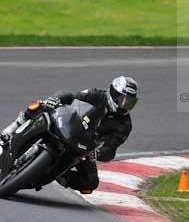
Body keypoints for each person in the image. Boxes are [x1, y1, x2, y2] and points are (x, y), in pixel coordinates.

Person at [0, 76, 139, 194]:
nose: (125, 105)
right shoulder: (97, 95)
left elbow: (111, 149)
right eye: (123, 100)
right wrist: (56, 99)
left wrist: (98, 153)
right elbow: (71, 96)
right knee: (40, 105)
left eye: (130, 102)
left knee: (90, 183)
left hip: (86, 149)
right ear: (113, 94)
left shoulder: (125, 125)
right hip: (69, 127)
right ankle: (10, 131)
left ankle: (60, 174)